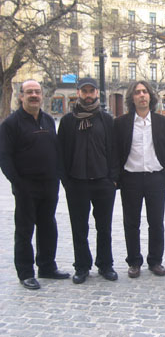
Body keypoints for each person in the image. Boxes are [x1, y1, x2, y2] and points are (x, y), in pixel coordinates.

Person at [0, 80, 69, 290]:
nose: (33, 95)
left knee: (48, 227)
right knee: (24, 230)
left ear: (42, 96)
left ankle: (47, 266)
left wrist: (58, 176)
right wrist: (18, 183)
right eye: (29, 92)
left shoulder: (48, 120)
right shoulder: (11, 124)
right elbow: (5, 157)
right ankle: (26, 272)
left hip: (49, 185)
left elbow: (56, 150)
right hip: (25, 187)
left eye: (37, 92)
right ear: (21, 96)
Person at [58, 77, 118, 284]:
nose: (88, 94)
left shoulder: (107, 120)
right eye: (84, 91)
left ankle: (105, 264)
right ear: (79, 93)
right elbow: (61, 153)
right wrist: (66, 181)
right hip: (77, 182)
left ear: (97, 93)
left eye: (91, 91)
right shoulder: (67, 121)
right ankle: (82, 266)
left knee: (104, 227)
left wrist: (113, 179)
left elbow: (114, 151)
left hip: (103, 182)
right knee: (79, 228)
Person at [114, 81, 165, 278]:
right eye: (138, 92)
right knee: (131, 223)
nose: (142, 95)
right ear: (132, 98)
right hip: (130, 178)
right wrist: (118, 177)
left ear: (151, 96)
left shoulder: (163, 123)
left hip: (155, 178)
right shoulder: (121, 123)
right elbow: (115, 152)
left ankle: (155, 261)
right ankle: (134, 262)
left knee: (156, 222)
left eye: (145, 92)